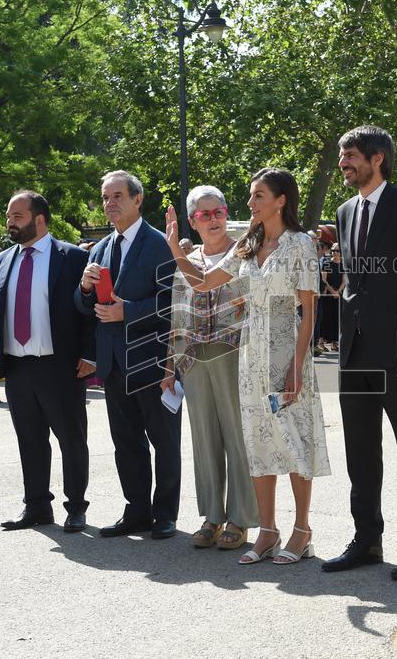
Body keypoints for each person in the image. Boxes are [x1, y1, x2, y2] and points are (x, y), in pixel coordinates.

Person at [164, 167, 329, 565]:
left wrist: (296, 365)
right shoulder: (248, 244)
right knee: (257, 443)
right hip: (250, 352)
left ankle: (302, 531)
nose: (250, 203)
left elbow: (309, 310)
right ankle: (267, 531)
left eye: (257, 196)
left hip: (286, 349)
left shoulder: (300, 244)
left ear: (280, 200)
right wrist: (175, 248)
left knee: (294, 440)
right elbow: (203, 282)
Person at [323, 125, 397, 580]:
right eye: (340, 155)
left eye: (350, 154)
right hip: (355, 351)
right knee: (360, 449)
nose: (343, 163)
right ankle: (366, 539)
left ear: (377, 159)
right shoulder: (344, 211)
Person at [76, 171, 181, 541]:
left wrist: (130, 311)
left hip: (152, 359)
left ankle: (165, 514)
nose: (111, 203)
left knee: (164, 440)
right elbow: (85, 306)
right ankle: (136, 511)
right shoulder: (101, 248)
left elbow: (174, 301)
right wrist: (85, 288)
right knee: (126, 442)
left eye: (118, 196)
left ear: (138, 200)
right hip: (114, 362)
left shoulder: (160, 244)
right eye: (105, 197)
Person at [0, 190, 96, 533]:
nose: (10, 223)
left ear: (39, 220)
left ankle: (76, 507)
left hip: (59, 365)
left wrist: (90, 354)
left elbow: (88, 311)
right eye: (8, 217)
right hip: (18, 365)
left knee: (71, 439)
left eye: (17, 217)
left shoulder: (72, 257)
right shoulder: (4, 258)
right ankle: (36, 507)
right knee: (29, 439)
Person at [163, 184, 259, 550]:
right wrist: (169, 367)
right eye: (204, 215)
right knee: (203, 438)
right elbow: (177, 313)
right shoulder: (188, 261)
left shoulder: (245, 253)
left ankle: (241, 517)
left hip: (236, 355)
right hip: (193, 358)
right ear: (192, 222)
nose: (214, 219)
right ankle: (211, 516)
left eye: (218, 211)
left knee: (238, 436)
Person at [320, 243, 344, 349]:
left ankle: (334, 343)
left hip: (338, 295)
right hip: (328, 294)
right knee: (326, 317)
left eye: (337, 250)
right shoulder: (327, 263)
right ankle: (320, 342)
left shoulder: (343, 265)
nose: (335, 252)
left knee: (336, 318)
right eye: (333, 250)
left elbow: (344, 281)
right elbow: (324, 279)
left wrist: (338, 292)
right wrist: (332, 291)